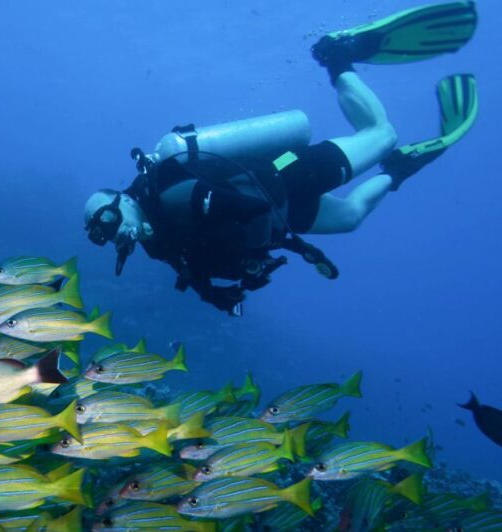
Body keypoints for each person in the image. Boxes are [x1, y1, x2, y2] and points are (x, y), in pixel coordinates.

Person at [83, 1, 479, 315]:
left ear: (122, 201)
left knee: (381, 134)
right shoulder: (155, 240)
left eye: (106, 220)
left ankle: (339, 55)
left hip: (286, 176)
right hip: (282, 215)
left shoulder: (170, 192)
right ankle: (398, 169)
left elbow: (247, 207)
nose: (110, 233)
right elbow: (191, 266)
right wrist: (214, 295)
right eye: (100, 235)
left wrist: (252, 256)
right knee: (350, 218)